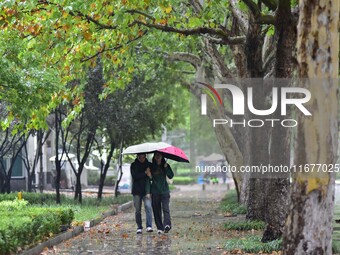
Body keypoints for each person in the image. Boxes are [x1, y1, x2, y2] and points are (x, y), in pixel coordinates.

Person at [146, 152, 174, 234]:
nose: (158, 157)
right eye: (156, 155)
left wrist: (166, 168)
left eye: (159, 155)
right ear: (154, 157)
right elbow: (150, 179)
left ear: (162, 156)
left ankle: (167, 225)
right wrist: (148, 174)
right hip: (155, 191)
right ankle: (159, 227)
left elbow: (171, 175)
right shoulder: (151, 166)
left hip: (165, 191)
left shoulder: (165, 165)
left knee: (166, 208)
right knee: (156, 210)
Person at [130, 153, 153, 234]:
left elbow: (151, 177)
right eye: (140, 157)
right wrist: (145, 173)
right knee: (137, 210)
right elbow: (135, 176)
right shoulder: (133, 165)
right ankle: (139, 227)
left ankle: (149, 226)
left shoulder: (149, 164)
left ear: (145, 156)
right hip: (136, 191)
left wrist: (149, 175)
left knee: (148, 207)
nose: (142, 159)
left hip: (146, 191)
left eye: (143, 157)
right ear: (137, 157)